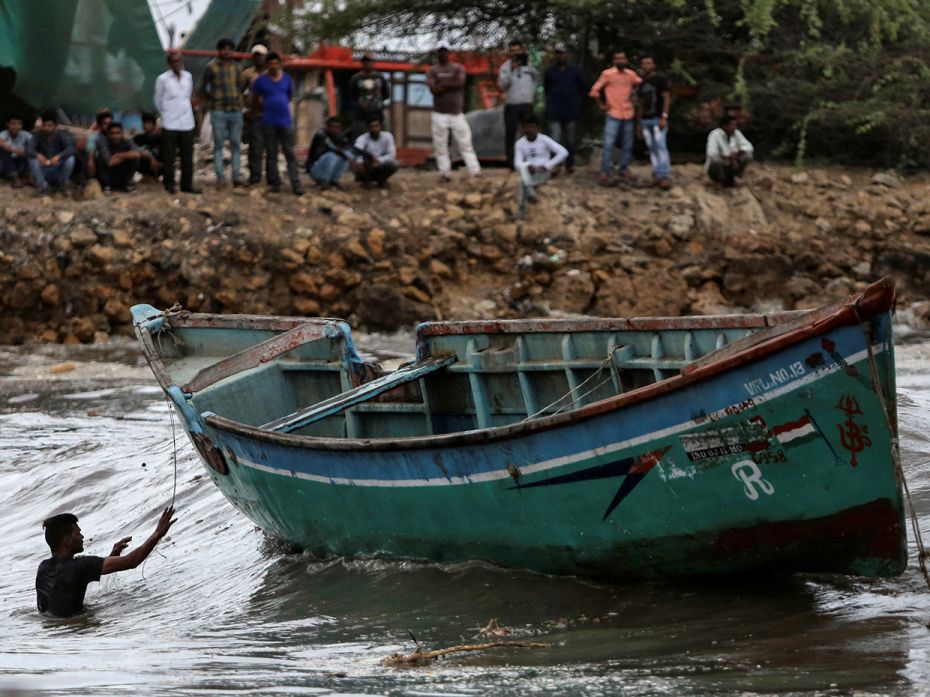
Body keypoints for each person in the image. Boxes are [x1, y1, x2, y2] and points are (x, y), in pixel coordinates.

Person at [36, 507, 176, 617]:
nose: (82, 536)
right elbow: (132, 562)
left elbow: (64, 591)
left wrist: (113, 555)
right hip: (72, 630)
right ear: (67, 541)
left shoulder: (42, 568)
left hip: (52, 630)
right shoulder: (79, 566)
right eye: (77, 533)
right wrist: (158, 533)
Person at [426, 42, 481, 181]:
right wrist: (450, 83)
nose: (442, 53)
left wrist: (442, 84)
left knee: (465, 143)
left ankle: (474, 171)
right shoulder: (433, 70)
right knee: (440, 145)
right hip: (439, 113)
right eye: (440, 51)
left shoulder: (457, 68)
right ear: (437, 53)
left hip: (456, 112)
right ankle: (445, 173)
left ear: (449, 52)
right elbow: (433, 89)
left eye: (445, 51)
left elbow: (460, 83)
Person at [251, 51, 304, 195]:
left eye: (276, 63)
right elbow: (255, 97)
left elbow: (289, 96)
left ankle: (296, 183)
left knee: (290, 153)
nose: (273, 66)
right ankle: (274, 183)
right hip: (268, 121)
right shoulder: (261, 80)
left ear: (280, 64)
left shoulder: (287, 79)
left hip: (285, 121)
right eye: (271, 63)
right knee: (271, 153)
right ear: (267, 65)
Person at [589, 51, 642, 184]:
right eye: (617, 59)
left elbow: (640, 83)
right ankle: (605, 171)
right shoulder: (607, 74)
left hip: (628, 113)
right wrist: (601, 105)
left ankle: (623, 169)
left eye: (622, 58)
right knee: (608, 144)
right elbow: (594, 91)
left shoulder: (631, 74)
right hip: (613, 113)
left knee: (627, 144)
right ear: (614, 61)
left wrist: (635, 95)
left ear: (626, 60)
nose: (620, 61)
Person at [200, 38, 244, 188]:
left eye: (229, 49)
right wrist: (210, 100)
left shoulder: (238, 68)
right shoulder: (211, 67)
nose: (226, 51)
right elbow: (203, 87)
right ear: (219, 50)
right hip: (218, 110)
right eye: (223, 48)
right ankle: (220, 176)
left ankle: (236, 176)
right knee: (218, 145)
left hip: (235, 110)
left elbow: (240, 87)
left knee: (236, 144)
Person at [155, 51, 198, 194]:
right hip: (170, 122)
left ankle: (187, 185)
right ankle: (169, 184)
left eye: (178, 61)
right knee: (170, 156)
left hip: (187, 122)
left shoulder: (188, 77)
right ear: (169, 63)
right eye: (174, 61)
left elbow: (188, 96)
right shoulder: (163, 79)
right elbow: (158, 100)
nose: (177, 63)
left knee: (187, 156)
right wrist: (166, 113)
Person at [513, 113, 567, 219]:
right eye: (527, 127)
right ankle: (530, 194)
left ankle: (522, 209)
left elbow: (563, 152)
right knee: (524, 171)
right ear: (522, 128)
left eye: (532, 127)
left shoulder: (544, 140)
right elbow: (517, 163)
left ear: (538, 128)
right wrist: (529, 166)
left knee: (523, 182)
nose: (530, 129)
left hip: (542, 173)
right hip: (529, 173)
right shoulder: (519, 144)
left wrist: (547, 165)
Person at [542, 43, 586, 173]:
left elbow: (582, 88)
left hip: (570, 110)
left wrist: (577, 104)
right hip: (555, 110)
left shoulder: (575, 70)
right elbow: (547, 89)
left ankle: (569, 164)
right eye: (557, 53)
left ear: (567, 54)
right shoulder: (549, 71)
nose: (560, 56)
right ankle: (555, 165)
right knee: (555, 139)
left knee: (570, 139)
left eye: (562, 53)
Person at [498, 39, 538, 169]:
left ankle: (530, 162)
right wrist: (511, 70)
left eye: (518, 51)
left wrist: (528, 66)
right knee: (511, 134)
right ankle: (511, 164)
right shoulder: (505, 67)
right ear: (509, 52)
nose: (515, 53)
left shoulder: (530, 65)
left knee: (529, 133)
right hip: (512, 105)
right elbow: (502, 86)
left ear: (522, 50)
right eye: (512, 51)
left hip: (527, 104)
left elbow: (537, 79)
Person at [636, 56, 672, 189]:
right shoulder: (641, 83)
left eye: (648, 63)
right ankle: (657, 174)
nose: (646, 65)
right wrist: (638, 123)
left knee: (661, 146)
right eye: (643, 63)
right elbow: (640, 104)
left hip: (657, 118)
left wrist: (664, 116)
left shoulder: (661, 79)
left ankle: (665, 175)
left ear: (654, 65)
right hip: (645, 120)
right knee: (652, 148)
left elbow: (667, 98)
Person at [96, 122, 156, 192]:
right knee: (99, 158)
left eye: (117, 133)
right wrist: (128, 155)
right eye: (112, 133)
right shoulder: (103, 142)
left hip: (122, 175)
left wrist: (118, 155)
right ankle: (106, 185)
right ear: (108, 134)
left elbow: (137, 153)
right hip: (108, 176)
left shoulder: (127, 141)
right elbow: (110, 162)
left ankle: (127, 183)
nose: (115, 136)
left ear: (122, 133)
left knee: (135, 158)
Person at [27, 110, 75, 196]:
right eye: (45, 125)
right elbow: (29, 149)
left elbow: (71, 148)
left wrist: (59, 156)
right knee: (32, 159)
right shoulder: (38, 135)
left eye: (50, 125)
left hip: (57, 167)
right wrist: (38, 155)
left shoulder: (62, 135)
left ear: (55, 126)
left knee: (70, 159)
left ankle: (62, 185)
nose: (47, 128)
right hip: (43, 169)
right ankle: (43, 187)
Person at [239, 44, 268, 185]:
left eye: (261, 55)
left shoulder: (272, 73)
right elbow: (239, 92)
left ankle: (271, 177)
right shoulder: (247, 74)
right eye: (256, 55)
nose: (258, 58)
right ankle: (255, 176)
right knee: (255, 146)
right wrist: (244, 108)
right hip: (254, 115)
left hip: (271, 115)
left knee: (271, 146)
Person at [347, 53, 390, 136]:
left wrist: (376, 100)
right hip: (361, 115)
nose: (367, 64)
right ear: (362, 63)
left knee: (379, 137)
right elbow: (352, 95)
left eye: (369, 61)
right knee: (360, 137)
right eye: (365, 62)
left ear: (373, 63)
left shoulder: (380, 77)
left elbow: (386, 94)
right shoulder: (356, 78)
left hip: (377, 114)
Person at [706, 114, 754, 187]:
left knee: (748, 155)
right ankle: (719, 181)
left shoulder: (736, 133)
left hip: (732, 163)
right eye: (732, 125)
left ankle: (735, 178)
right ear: (725, 126)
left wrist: (738, 153)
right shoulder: (715, 135)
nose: (734, 127)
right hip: (722, 162)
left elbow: (749, 146)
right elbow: (712, 153)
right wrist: (729, 158)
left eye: (735, 125)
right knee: (716, 160)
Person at [306, 116, 353, 189]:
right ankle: (324, 182)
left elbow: (347, 148)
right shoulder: (320, 134)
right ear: (327, 126)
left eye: (337, 127)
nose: (335, 129)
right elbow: (331, 147)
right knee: (332, 155)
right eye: (332, 127)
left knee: (348, 154)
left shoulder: (339, 136)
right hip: (315, 168)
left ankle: (333, 180)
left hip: (326, 166)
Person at [353, 117, 398, 187]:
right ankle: (365, 181)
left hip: (380, 164)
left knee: (393, 164)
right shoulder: (363, 138)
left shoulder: (388, 136)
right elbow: (357, 150)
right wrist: (366, 161)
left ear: (380, 126)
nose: (374, 129)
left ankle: (382, 181)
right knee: (360, 163)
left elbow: (392, 154)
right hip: (367, 165)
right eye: (372, 127)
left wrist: (379, 160)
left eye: (376, 126)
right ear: (368, 128)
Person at [0, 115, 32, 188]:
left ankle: (30, 176)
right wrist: (16, 151)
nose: (16, 126)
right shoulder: (3, 133)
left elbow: (34, 144)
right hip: (6, 166)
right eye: (13, 123)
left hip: (20, 163)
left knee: (30, 151)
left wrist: (26, 151)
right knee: (3, 151)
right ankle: (15, 178)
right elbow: (1, 143)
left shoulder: (25, 134)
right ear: (8, 125)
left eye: (19, 124)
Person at [132, 112, 163, 182]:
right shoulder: (138, 138)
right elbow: (134, 151)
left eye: (148, 123)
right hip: (143, 165)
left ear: (154, 124)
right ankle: (146, 176)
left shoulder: (161, 139)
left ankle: (154, 177)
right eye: (144, 123)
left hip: (158, 166)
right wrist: (150, 158)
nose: (145, 125)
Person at [85, 109, 113, 183]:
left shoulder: (114, 134)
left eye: (109, 123)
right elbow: (90, 143)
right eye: (105, 123)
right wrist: (90, 160)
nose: (108, 126)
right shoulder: (95, 135)